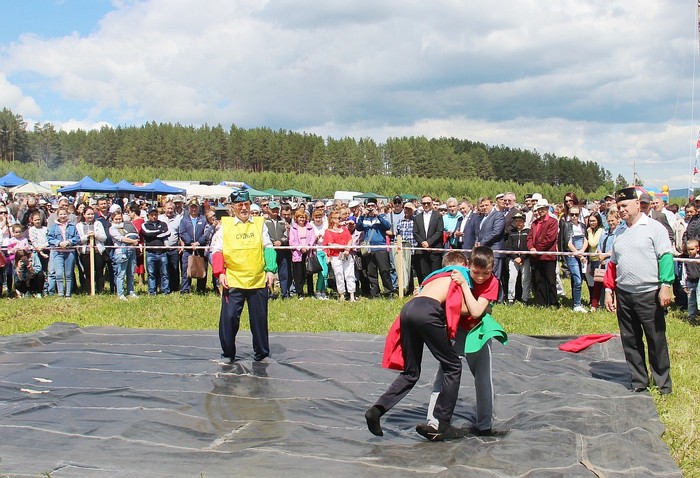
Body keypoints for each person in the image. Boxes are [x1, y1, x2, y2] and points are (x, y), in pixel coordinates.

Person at [364, 250, 467, 441]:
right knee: (453, 366)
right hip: (427, 310)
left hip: (409, 309)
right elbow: (457, 306)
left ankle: (376, 410)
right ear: (462, 264)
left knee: (411, 372)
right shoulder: (458, 275)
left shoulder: (433, 277)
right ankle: (443, 423)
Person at [425, 247, 504, 437]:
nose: (480, 277)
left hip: (478, 332)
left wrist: (465, 289)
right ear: (468, 266)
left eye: (486, 272)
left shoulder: (492, 282)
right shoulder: (458, 274)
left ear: (492, 268)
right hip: (457, 330)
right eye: (476, 272)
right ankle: (433, 423)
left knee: (483, 378)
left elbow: (476, 311)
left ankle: (484, 425)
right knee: (444, 375)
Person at [604, 187, 673, 394]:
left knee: (656, 339)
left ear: (637, 204)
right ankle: (639, 382)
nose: (621, 210)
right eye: (618, 207)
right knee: (630, 340)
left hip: (649, 293)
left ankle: (663, 385)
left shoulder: (654, 228)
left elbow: (665, 257)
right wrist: (609, 290)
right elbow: (613, 264)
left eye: (624, 206)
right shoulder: (619, 232)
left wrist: (666, 286)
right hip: (624, 294)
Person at [210, 190, 277, 362]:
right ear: (233, 208)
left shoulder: (259, 224)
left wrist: (270, 270)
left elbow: (268, 247)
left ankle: (262, 353)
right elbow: (216, 251)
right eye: (240, 205)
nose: (244, 208)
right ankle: (228, 353)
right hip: (233, 279)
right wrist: (220, 273)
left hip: (257, 279)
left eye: (246, 204)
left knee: (259, 320)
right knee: (229, 318)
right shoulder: (225, 227)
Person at [356, 199, 395, 298]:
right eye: (368, 206)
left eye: (372, 206)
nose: (370, 208)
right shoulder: (364, 218)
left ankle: (388, 292)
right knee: (371, 273)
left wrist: (378, 215)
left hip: (380, 248)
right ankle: (375, 293)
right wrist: (361, 215)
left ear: (376, 206)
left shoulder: (381, 216)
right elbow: (358, 227)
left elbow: (387, 226)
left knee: (384, 271)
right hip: (369, 250)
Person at [527, 199, 560, 307]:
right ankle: (542, 302)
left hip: (548, 256)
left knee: (551, 280)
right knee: (539, 280)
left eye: (543, 209)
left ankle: (554, 302)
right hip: (536, 257)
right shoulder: (534, 223)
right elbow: (530, 237)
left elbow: (550, 238)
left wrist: (537, 250)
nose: (541, 211)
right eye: (539, 209)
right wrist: (531, 248)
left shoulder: (553, 221)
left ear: (547, 209)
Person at [46, 207, 80, 298]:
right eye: (61, 214)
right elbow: (50, 238)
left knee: (68, 274)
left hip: (70, 252)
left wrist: (69, 242)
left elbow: (77, 238)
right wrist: (58, 243)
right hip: (58, 252)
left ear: (67, 214)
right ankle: (61, 294)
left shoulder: (72, 226)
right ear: (58, 215)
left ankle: (68, 294)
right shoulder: (53, 227)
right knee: (59, 274)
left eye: (64, 214)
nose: (63, 216)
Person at [323, 210, 356, 301]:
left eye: (340, 218)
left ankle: (352, 295)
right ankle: (341, 294)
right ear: (332, 220)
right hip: (336, 256)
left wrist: (347, 249)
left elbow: (350, 239)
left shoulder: (345, 229)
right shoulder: (328, 231)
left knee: (350, 274)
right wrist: (343, 247)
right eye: (337, 218)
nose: (339, 220)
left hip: (347, 254)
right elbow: (331, 244)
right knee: (339, 275)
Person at [75, 206, 108, 294]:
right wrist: (87, 236)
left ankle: (100, 290)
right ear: (84, 215)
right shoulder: (79, 225)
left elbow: (104, 237)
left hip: (98, 251)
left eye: (92, 214)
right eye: (88, 214)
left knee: (99, 271)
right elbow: (78, 239)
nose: (90, 216)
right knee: (88, 272)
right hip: (86, 252)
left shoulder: (98, 223)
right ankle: (89, 290)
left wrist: (95, 235)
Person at [109, 210, 140, 301]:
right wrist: (133, 241)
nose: (118, 221)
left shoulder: (127, 226)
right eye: (116, 219)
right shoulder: (112, 229)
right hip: (121, 253)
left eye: (120, 219)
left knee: (130, 273)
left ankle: (131, 291)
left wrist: (135, 240)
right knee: (121, 274)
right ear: (112, 219)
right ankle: (120, 294)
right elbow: (121, 238)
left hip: (131, 251)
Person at [179, 199, 208, 294]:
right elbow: (182, 233)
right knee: (186, 270)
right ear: (189, 208)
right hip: (188, 248)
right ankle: (185, 290)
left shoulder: (203, 219)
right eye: (192, 207)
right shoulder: (184, 220)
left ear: (198, 207)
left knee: (202, 268)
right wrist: (190, 242)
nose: (194, 209)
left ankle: (201, 289)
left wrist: (198, 243)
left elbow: (206, 233)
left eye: (195, 207)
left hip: (200, 249)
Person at [413, 195, 444, 282]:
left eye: (428, 203)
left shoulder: (438, 216)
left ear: (431, 203)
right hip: (422, 250)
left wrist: (429, 242)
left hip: (435, 249)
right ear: (421, 204)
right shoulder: (417, 217)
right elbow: (415, 233)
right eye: (424, 203)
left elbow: (439, 231)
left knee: (436, 273)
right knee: (424, 273)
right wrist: (423, 242)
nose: (426, 205)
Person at [141, 207, 171, 295]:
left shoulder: (163, 223)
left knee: (165, 273)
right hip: (150, 253)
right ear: (148, 215)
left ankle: (165, 291)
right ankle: (152, 292)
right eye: (152, 215)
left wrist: (154, 234)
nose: (154, 216)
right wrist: (159, 232)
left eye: (155, 214)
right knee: (151, 274)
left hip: (162, 253)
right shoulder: (145, 225)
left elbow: (168, 233)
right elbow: (146, 233)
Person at [564, 205, 588, 312]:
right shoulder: (567, 226)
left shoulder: (582, 226)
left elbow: (586, 240)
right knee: (577, 280)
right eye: (571, 214)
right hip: (572, 256)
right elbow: (568, 243)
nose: (574, 216)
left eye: (576, 214)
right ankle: (576, 304)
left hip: (582, 255)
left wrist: (582, 252)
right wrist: (578, 254)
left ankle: (577, 302)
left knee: (580, 280)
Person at [289, 209, 316, 299]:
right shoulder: (293, 228)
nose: (302, 219)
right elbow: (292, 241)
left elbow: (313, 238)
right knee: (298, 274)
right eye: (300, 217)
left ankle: (311, 292)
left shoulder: (310, 227)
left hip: (308, 253)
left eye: (304, 217)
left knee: (309, 273)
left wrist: (307, 247)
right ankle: (300, 293)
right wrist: (300, 248)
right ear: (296, 218)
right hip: (297, 254)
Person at [505, 212, 531, 305]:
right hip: (514, 259)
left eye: (520, 221)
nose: (518, 223)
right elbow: (509, 246)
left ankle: (525, 298)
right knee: (512, 278)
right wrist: (515, 257)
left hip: (525, 259)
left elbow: (529, 246)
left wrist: (522, 257)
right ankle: (510, 298)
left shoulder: (528, 231)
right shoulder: (512, 232)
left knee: (525, 278)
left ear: (524, 222)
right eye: (516, 221)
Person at [681, 239, 700, 326]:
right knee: (691, 301)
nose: (690, 251)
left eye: (692, 249)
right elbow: (684, 273)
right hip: (690, 282)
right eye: (688, 249)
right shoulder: (686, 261)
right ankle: (691, 317)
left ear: (697, 248)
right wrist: (684, 284)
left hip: (698, 282)